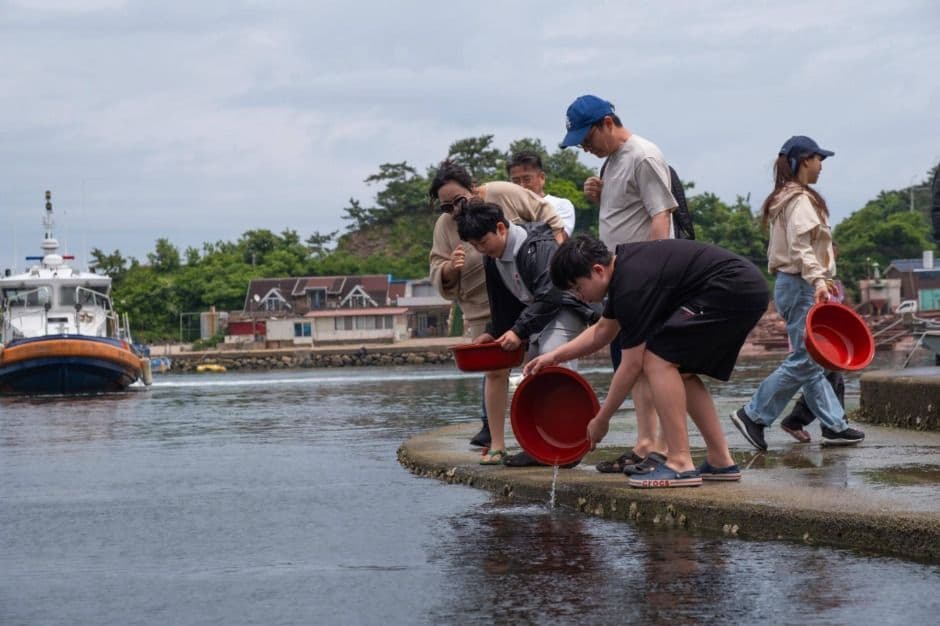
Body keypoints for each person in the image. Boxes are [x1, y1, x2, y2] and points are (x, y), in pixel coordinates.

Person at [525, 235, 768, 488]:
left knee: (657, 360)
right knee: (680, 370)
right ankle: (720, 461)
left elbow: (631, 366)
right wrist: (554, 356)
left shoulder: (631, 285)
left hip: (732, 288)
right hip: (741, 286)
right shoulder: (625, 274)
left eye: (577, 288)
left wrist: (601, 420)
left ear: (598, 270)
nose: (579, 296)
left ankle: (680, 463)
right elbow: (603, 331)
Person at [559, 94, 676, 475]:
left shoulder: (643, 156)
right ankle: (645, 443)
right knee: (630, 361)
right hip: (620, 279)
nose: (586, 148)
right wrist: (601, 195)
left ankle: (662, 448)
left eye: (587, 139)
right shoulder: (612, 162)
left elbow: (660, 216)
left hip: (643, 278)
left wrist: (654, 277)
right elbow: (626, 213)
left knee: (652, 362)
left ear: (607, 123)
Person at [730, 136, 865, 450]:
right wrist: (818, 281)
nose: (821, 166)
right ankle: (753, 414)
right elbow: (801, 248)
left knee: (810, 362)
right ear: (805, 160)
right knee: (805, 360)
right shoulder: (800, 200)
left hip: (793, 283)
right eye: (819, 159)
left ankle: (834, 425)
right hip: (800, 284)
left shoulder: (785, 197)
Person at [428, 160, 568, 449]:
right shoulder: (453, 231)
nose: (454, 211)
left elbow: (549, 218)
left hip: (532, 293)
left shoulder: (504, 193)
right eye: (446, 207)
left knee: (539, 361)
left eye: (459, 201)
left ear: (473, 188)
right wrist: (451, 268)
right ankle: (494, 436)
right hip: (484, 304)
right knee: (495, 369)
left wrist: (551, 264)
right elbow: (437, 269)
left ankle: (545, 435)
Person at [455, 201, 598, 465]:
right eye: (474, 245)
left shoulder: (538, 246)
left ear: (501, 228)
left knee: (549, 356)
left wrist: (518, 331)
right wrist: (494, 332)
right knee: (524, 371)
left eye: (483, 242)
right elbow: (502, 304)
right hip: (535, 316)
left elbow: (551, 295)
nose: (481, 249)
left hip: (566, 307)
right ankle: (533, 446)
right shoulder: (492, 259)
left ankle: (571, 446)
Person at [507, 151, 576, 236]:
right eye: (516, 181)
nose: (522, 186)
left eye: (527, 179)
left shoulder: (561, 205)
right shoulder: (506, 208)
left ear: (542, 178)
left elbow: (559, 239)